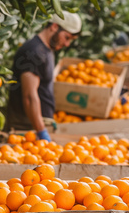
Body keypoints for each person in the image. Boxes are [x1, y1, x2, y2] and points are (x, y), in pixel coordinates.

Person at [6, 11, 82, 141]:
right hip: (26, 129)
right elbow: (29, 97)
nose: (67, 44)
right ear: (54, 27)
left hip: (35, 126)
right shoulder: (34, 52)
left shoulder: (46, 50)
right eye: (67, 37)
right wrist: (41, 131)